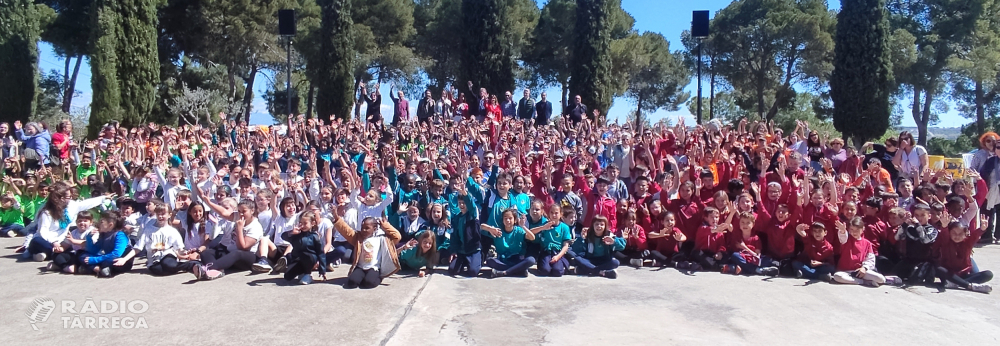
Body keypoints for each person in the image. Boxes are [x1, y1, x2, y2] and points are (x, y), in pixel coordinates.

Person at [27, 181, 112, 261]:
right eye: (69, 197)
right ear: (61, 198)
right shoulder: (47, 212)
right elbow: (43, 231)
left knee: (72, 237)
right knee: (37, 241)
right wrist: (54, 243)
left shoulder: (71, 205)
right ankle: (49, 252)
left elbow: (85, 204)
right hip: (47, 240)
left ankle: (47, 254)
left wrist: (103, 198)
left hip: (63, 240)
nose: (71, 199)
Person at [330, 212, 402, 289]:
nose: (363, 230)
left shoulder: (382, 239)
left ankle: (379, 277)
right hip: (361, 267)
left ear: (374, 228)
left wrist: (385, 225)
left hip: (373, 267)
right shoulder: (358, 238)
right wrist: (336, 216)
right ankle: (361, 276)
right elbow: (346, 230)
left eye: (367, 228)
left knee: (369, 283)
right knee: (352, 283)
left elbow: (397, 236)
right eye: (362, 227)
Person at [480, 209, 537, 277]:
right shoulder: (498, 231)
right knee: (490, 261)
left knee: (531, 260)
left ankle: (504, 272)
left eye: (510, 218)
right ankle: (518, 270)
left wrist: (523, 226)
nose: (508, 221)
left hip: (516, 259)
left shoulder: (519, 231)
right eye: (505, 218)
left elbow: (532, 237)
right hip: (503, 260)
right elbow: (482, 226)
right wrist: (490, 229)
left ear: (515, 220)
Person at [77, 210, 133, 277]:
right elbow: (95, 250)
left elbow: (116, 254)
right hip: (107, 257)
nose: (98, 224)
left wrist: (95, 260)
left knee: (109, 263)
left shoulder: (120, 235)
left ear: (110, 225)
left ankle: (93, 268)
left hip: (120, 260)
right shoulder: (104, 234)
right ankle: (96, 269)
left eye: (101, 222)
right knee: (81, 254)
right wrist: (89, 238)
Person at [280, 210, 328, 285]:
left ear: (312, 223)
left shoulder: (314, 237)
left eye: (305, 223)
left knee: (305, 255)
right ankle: (302, 273)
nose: (302, 226)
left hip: (310, 259)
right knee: (287, 276)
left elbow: (321, 253)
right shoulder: (296, 235)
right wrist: (291, 232)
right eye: (301, 223)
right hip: (298, 259)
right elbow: (283, 236)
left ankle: (308, 274)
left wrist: (322, 270)